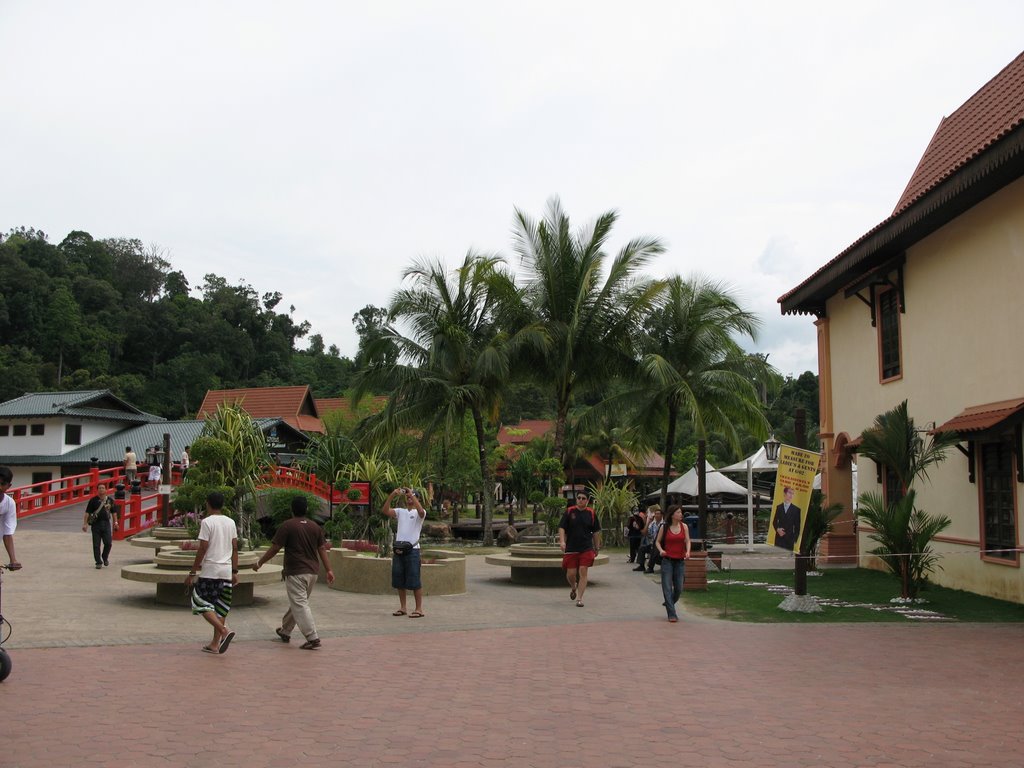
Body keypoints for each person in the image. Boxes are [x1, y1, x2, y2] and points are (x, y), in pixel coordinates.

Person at [252, 496, 334, 650]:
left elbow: (275, 548)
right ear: (307, 510)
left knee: (300, 604)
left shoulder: (287, 526)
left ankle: (312, 637)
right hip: (312, 573)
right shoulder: (315, 527)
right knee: (298, 603)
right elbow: (322, 549)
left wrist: (259, 563)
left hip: (296, 571)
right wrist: (329, 570)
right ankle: (285, 631)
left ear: (292, 510)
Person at [184, 492, 239, 654]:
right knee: (220, 607)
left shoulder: (207, 522)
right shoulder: (230, 522)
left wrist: (193, 571)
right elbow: (235, 547)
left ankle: (224, 631)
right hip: (226, 570)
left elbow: (203, 548)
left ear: (208, 504)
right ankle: (215, 644)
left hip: (210, 570)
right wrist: (235, 571)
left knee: (199, 602)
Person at [383, 486, 427, 618]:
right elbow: (385, 511)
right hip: (399, 549)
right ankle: (403, 607)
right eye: (407, 496)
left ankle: (419, 608)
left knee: (414, 580)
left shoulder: (420, 512)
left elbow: (420, 512)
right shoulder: (400, 512)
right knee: (399, 579)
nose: (409, 498)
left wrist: (412, 494)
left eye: (413, 496)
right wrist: (393, 494)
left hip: (413, 550)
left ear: (417, 498)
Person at [558, 491, 602, 607]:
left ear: (587, 501)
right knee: (571, 574)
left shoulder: (591, 513)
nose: (581, 500)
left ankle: (579, 598)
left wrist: (596, 547)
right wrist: (562, 541)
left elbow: (596, 531)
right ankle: (573, 586)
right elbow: (562, 527)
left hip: (586, 547)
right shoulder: (569, 511)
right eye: (579, 498)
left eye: (583, 498)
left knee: (583, 571)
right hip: (571, 547)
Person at [656, 505, 691, 623]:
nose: (681, 514)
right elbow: (657, 541)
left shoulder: (684, 526)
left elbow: (687, 540)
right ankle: (672, 613)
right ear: (672, 515)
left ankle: (669, 602)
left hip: (680, 561)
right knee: (666, 587)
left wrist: (688, 552)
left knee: (679, 588)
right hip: (667, 561)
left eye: (681, 512)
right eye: (678, 512)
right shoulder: (664, 527)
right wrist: (661, 550)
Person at [82, 484, 119, 568]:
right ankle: (98, 561)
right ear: (97, 490)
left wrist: (115, 523)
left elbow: (114, 513)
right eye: (99, 488)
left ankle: (104, 557)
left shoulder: (110, 500)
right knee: (96, 544)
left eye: (103, 488)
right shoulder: (93, 500)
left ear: (106, 490)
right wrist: (85, 524)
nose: (101, 489)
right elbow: (87, 513)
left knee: (108, 543)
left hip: (106, 523)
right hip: (96, 524)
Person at [0, 467, 21, 570]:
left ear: (9, 486)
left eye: (2, 484)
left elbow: (7, 533)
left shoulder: (9, 503)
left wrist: (13, 560)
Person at [634, 507, 663, 573]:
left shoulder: (664, 524)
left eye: (658, 514)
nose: (656, 515)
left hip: (661, 545)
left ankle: (650, 567)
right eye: (655, 514)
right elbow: (644, 532)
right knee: (642, 548)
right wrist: (647, 522)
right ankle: (641, 566)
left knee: (654, 549)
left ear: (662, 515)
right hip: (653, 544)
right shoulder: (652, 524)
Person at [772, 486, 802, 551]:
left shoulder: (796, 510)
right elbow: (774, 521)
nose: (791, 495)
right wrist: (777, 529)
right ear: (785, 494)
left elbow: (797, 526)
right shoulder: (779, 507)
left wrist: (795, 539)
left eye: (792, 493)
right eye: (789, 493)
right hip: (779, 538)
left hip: (790, 539)